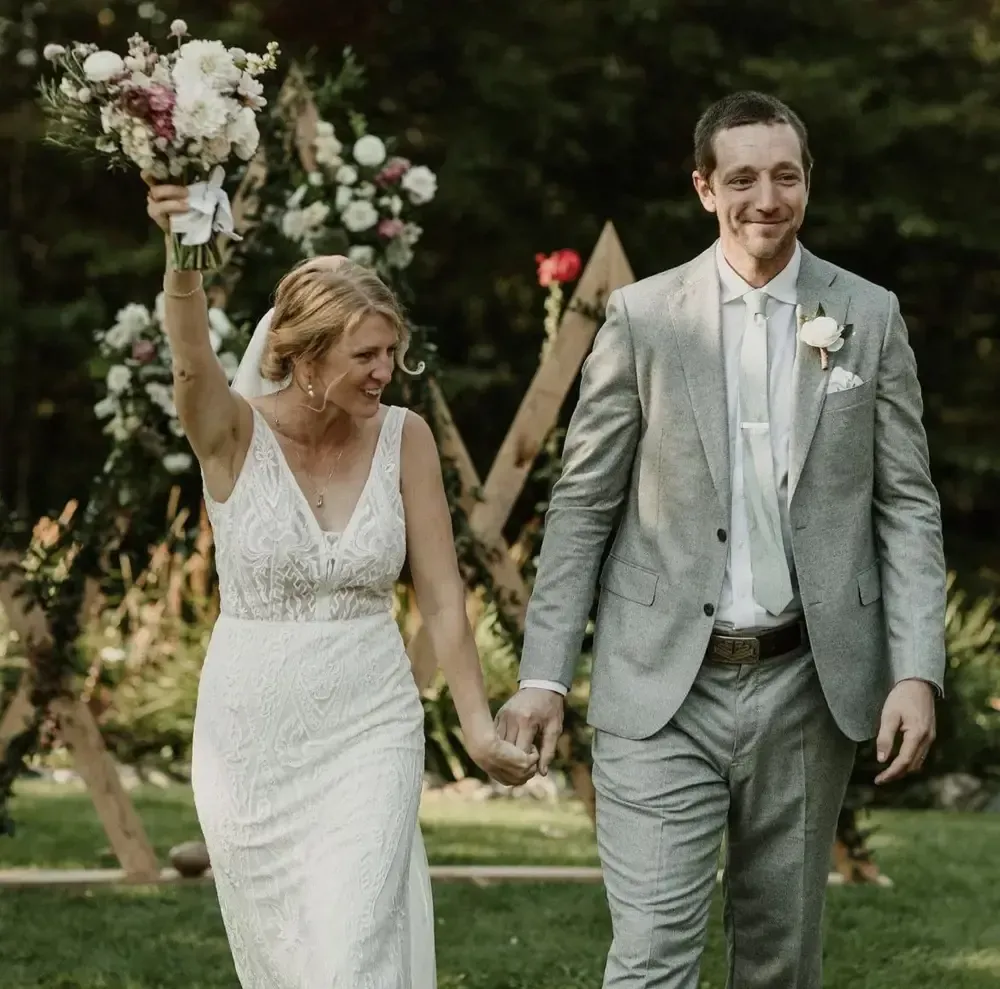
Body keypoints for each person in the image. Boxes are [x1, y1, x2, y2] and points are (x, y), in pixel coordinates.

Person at [496, 91, 945, 988]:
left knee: (779, 963)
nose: (766, 198)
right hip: (660, 682)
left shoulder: (870, 313)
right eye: (742, 178)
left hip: (807, 685)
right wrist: (544, 677)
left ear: (808, 181)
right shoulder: (643, 317)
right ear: (705, 188)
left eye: (785, 175)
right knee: (653, 959)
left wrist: (916, 668)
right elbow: (582, 505)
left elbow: (907, 505)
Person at [145, 180, 538, 989]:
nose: (384, 372)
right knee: (287, 964)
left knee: (356, 950)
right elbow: (190, 359)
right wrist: (183, 257)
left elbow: (440, 594)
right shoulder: (231, 433)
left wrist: (473, 723)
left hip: (371, 724)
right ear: (305, 355)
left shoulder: (406, 437)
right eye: (364, 355)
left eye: (390, 351)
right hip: (250, 740)